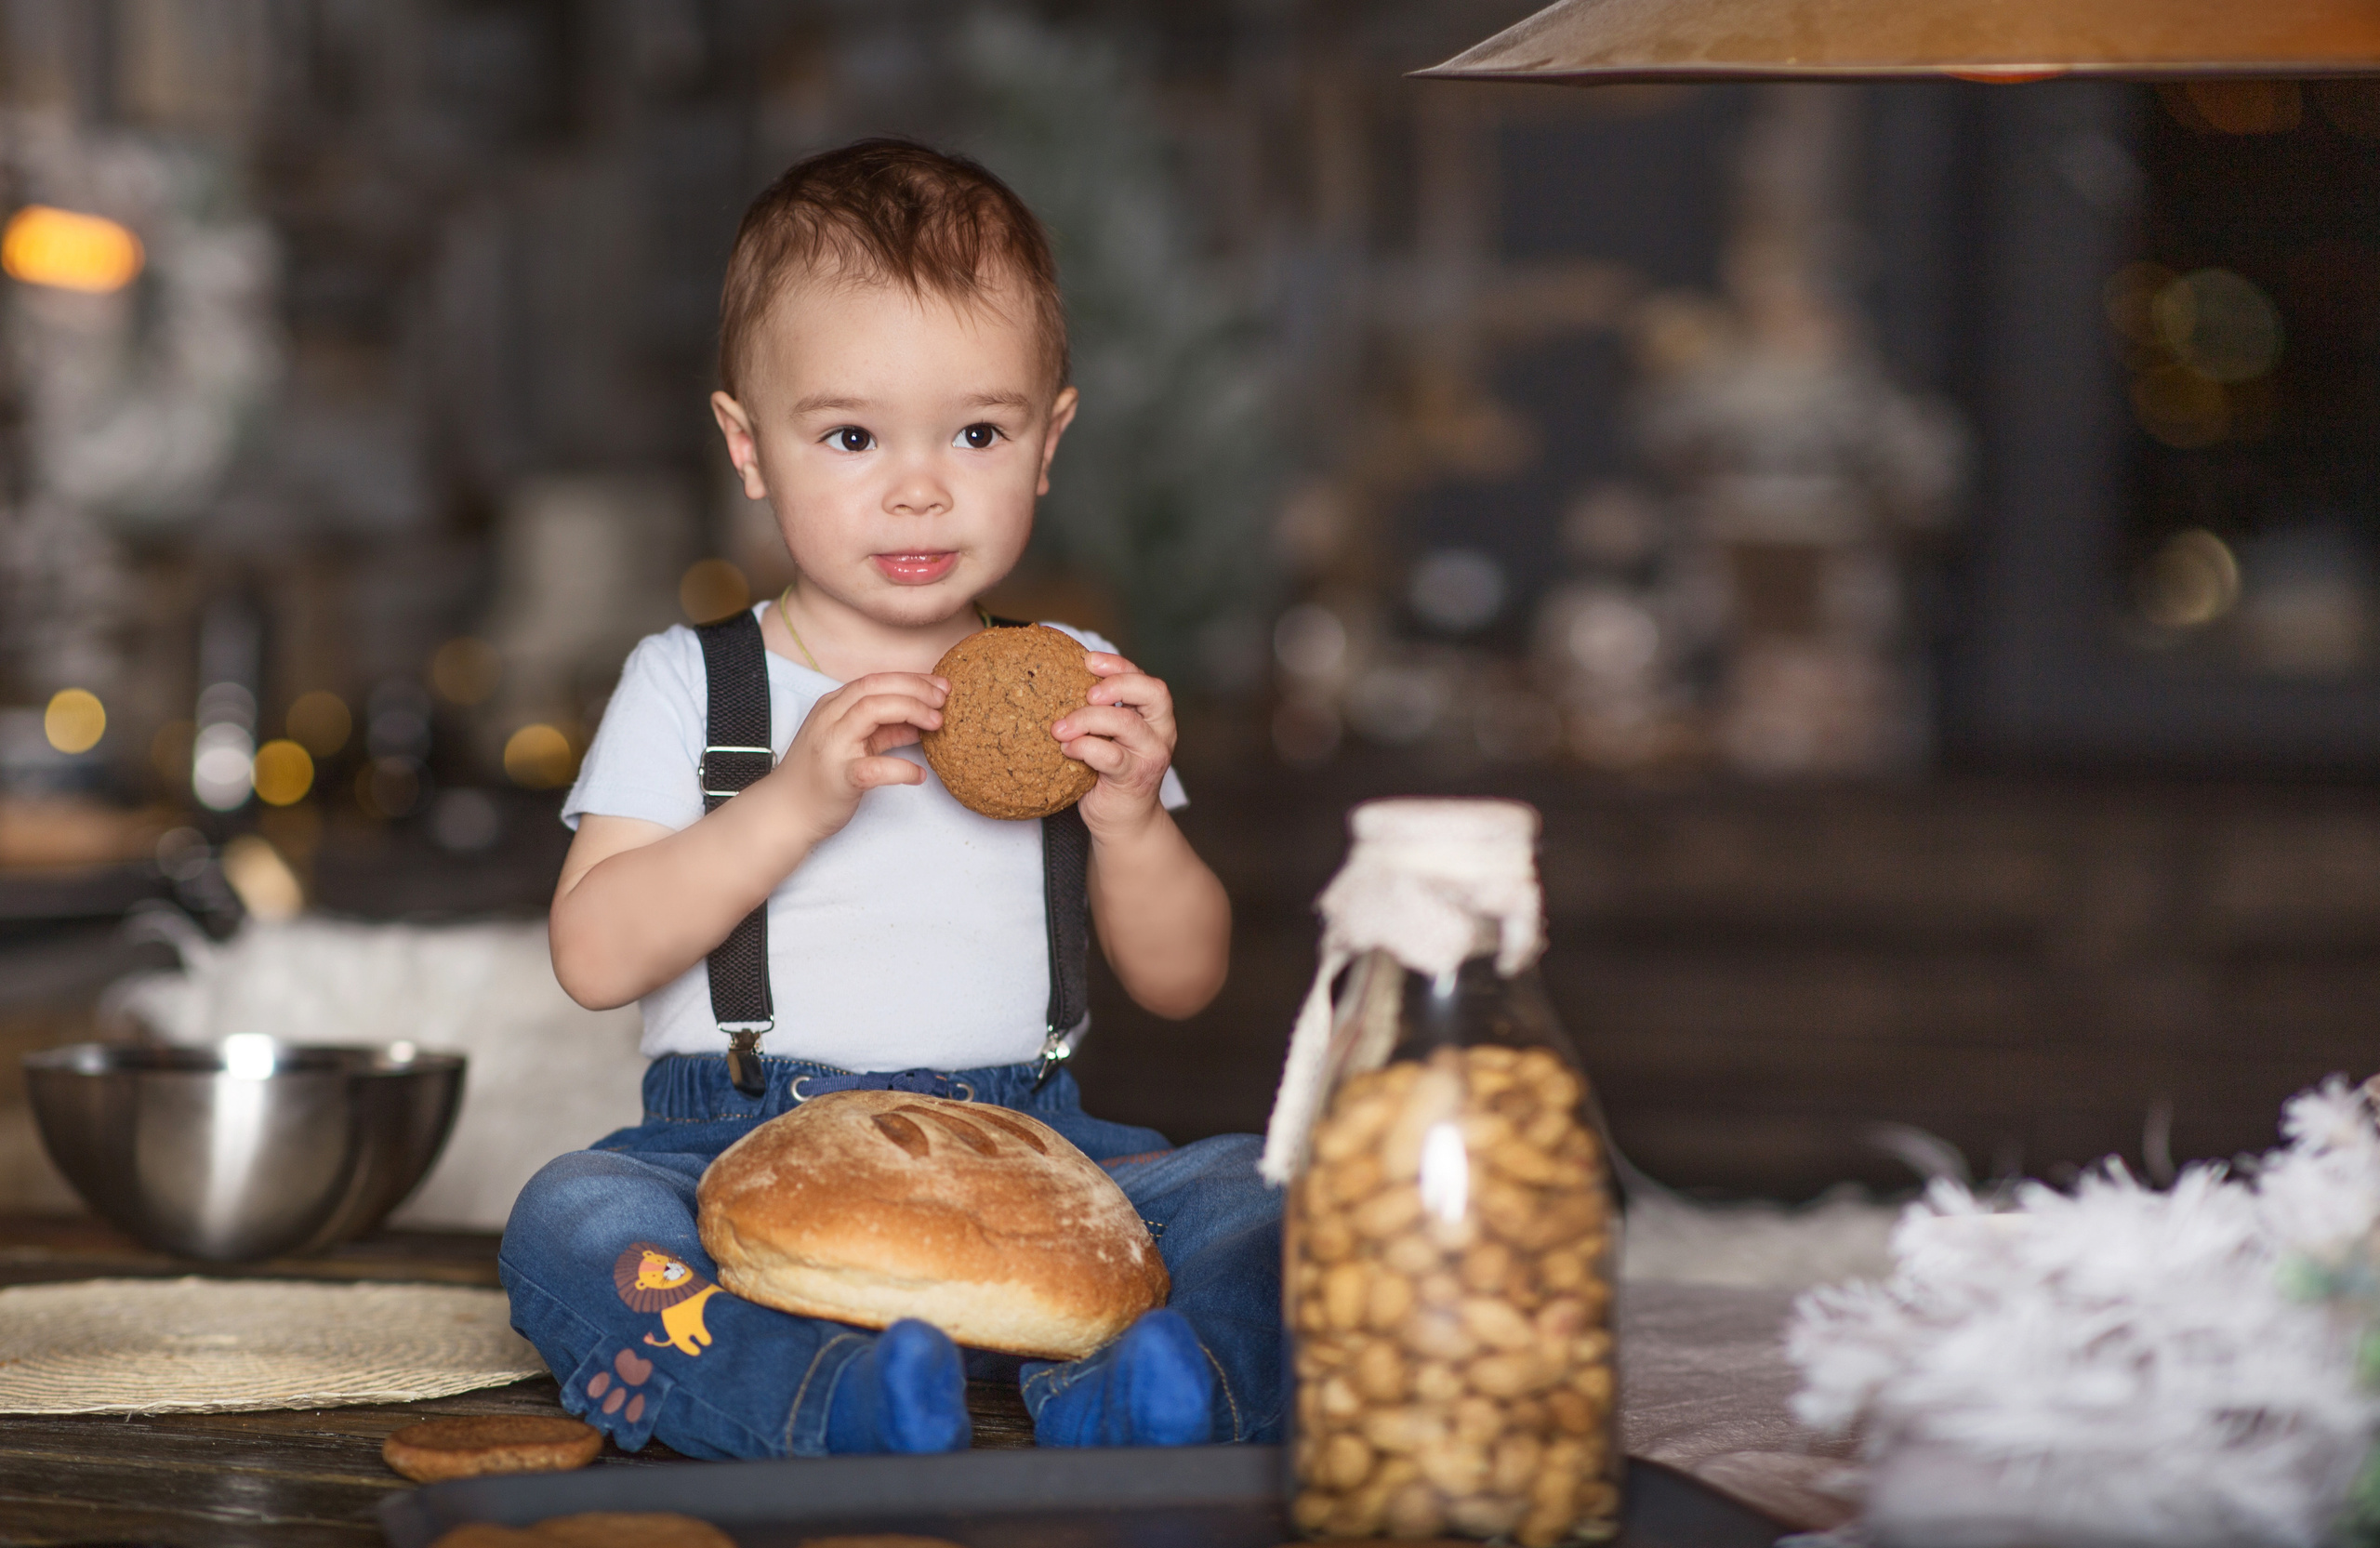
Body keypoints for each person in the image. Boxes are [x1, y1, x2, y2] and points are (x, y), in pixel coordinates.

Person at [496, 139, 1281, 1461]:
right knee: (572, 1215)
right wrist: (790, 804)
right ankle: (830, 1399)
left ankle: (1161, 1390)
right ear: (749, 447)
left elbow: (1184, 977)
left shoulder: (1077, 681)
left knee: (1266, 1190)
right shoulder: (689, 681)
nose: (919, 487)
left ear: (1048, 441)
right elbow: (595, 954)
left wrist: (1132, 820)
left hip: (1036, 1157)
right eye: (852, 436)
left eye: (978, 433)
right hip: (740, 1148)